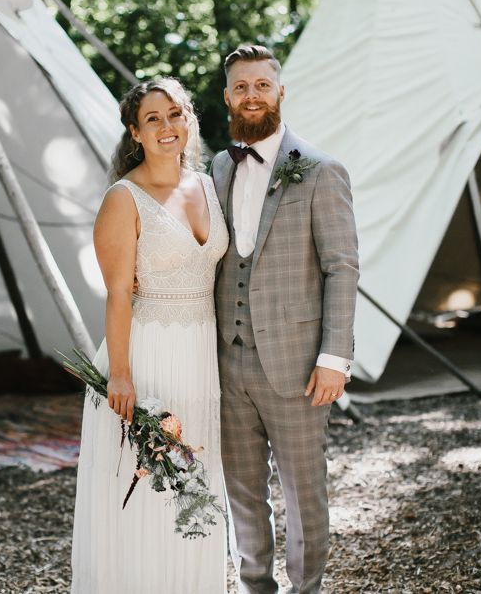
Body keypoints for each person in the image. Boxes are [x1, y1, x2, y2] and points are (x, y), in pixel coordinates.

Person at [211, 46, 359, 594]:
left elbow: (341, 268)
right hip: (227, 363)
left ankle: (306, 589)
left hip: (297, 365)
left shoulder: (321, 170)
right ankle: (255, 587)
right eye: (241, 86)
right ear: (228, 97)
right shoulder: (218, 167)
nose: (252, 95)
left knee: (303, 491)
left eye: (262, 85)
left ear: (280, 92)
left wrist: (333, 357)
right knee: (242, 491)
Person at [71, 78, 228, 593]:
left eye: (175, 114)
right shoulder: (124, 198)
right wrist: (119, 374)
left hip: (201, 355)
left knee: (194, 481)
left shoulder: (209, 185)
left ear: (190, 120)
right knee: (144, 486)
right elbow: (118, 293)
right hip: (146, 353)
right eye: (153, 119)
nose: (167, 127)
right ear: (135, 132)